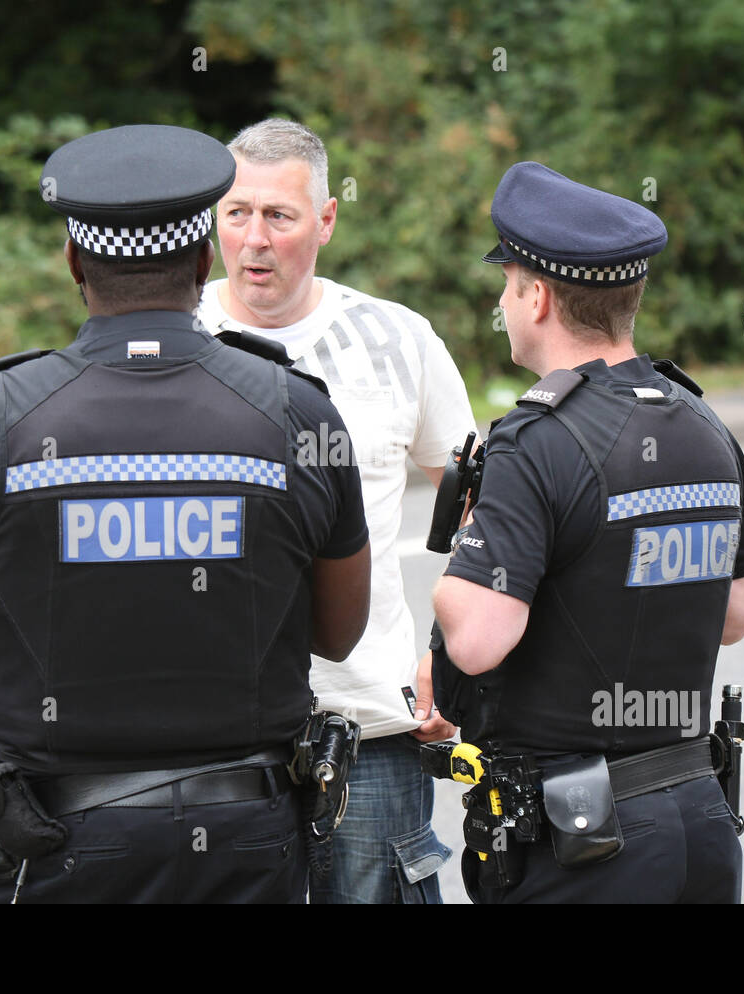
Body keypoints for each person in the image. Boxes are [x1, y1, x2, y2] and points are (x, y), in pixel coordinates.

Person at [0, 124, 371, 904]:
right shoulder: (296, 413)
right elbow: (338, 628)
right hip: (244, 848)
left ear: (75, 262)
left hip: (48, 847)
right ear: (205, 259)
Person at [431, 161, 744, 904]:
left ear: (537, 296)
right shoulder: (704, 425)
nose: (503, 301)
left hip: (583, 847)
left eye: (507, 284)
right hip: (697, 821)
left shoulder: (534, 440)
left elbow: (478, 640)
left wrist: (465, 561)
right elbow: (733, 617)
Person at [195, 119, 478, 903]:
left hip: (371, 726)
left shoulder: (396, 338)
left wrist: (449, 653)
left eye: (279, 216)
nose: (254, 239)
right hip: (214, 738)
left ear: (325, 221)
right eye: (236, 213)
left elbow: (486, 510)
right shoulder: (175, 338)